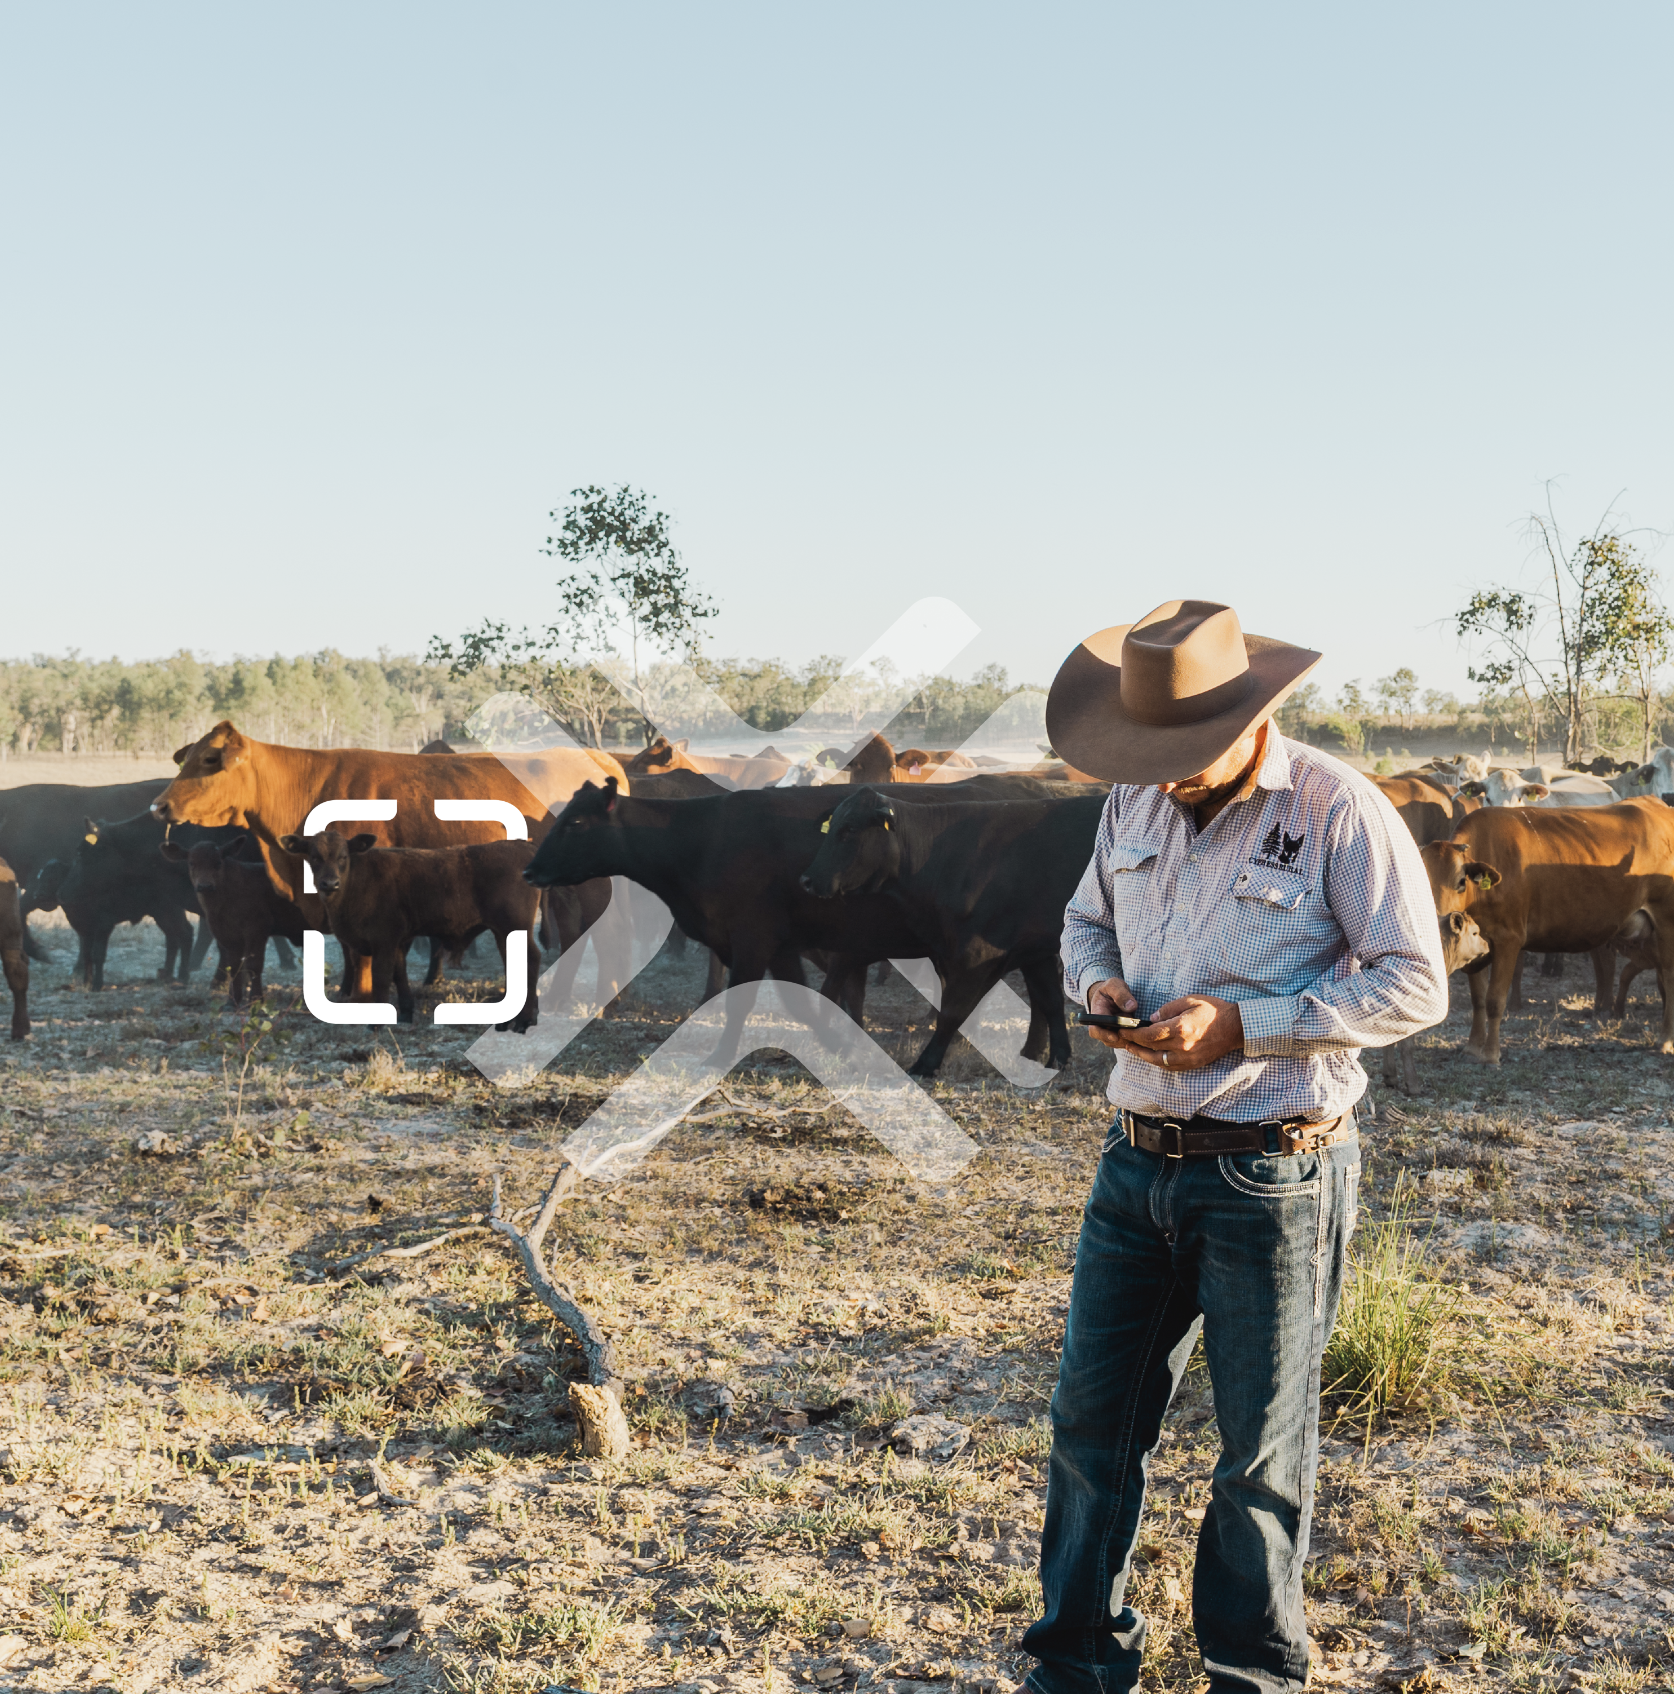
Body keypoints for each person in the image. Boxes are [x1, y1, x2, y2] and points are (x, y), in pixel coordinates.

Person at [1017, 601, 1448, 1694]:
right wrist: (1098, 986)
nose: (1163, 775)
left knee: (1258, 1453)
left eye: (1180, 753)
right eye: (1145, 755)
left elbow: (1415, 980)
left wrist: (1245, 1023)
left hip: (1274, 1167)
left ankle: (1250, 1674)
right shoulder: (1131, 803)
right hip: (1136, 1159)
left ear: (1251, 717)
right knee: (1089, 1421)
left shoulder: (1337, 810)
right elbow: (1082, 926)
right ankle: (1074, 1661)